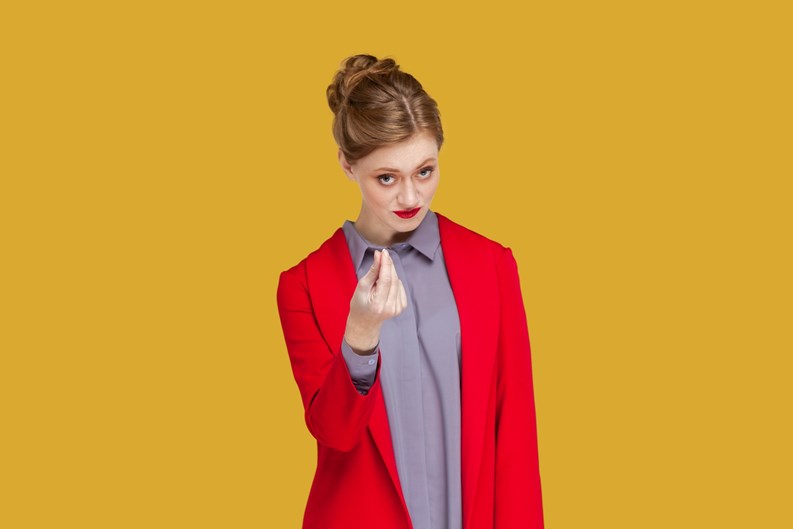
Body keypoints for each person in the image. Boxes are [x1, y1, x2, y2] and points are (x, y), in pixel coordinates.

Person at [276, 54, 544, 529]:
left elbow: (516, 432)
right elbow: (333, 435)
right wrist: (359, 336)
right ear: (346, 164)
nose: (411, 198)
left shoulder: (491, 265)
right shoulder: (304, 285)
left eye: (425, 171)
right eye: (387, 178)